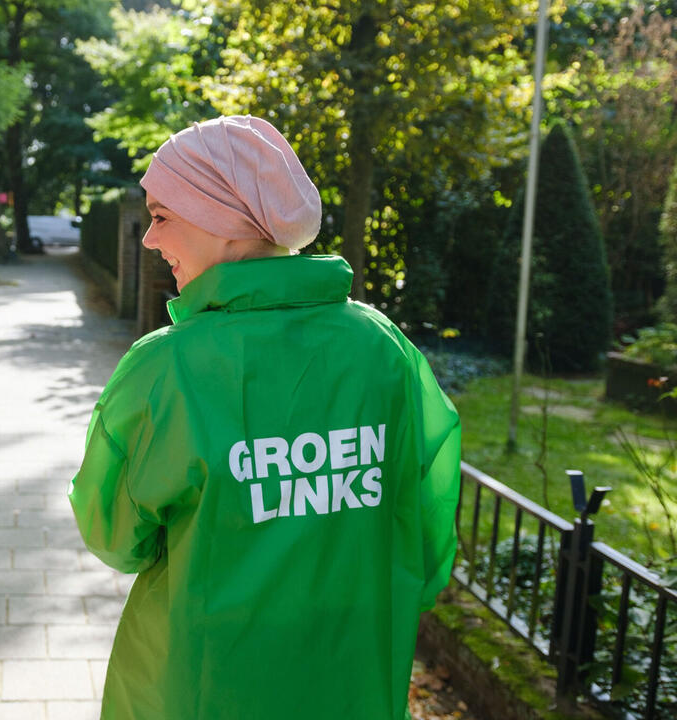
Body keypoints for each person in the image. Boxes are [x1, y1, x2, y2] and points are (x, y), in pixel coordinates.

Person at [68, 115, 461, 719]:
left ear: (224, 219)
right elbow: (426, 534)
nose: (148, 239)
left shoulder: (166, 369)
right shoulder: (382, 348)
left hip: (200, 688)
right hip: (351, 684)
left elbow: (115, 535)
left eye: (162, 216)